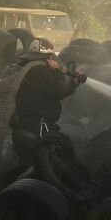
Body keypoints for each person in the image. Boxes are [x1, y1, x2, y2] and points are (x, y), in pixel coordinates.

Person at [10, 37, 87, 172]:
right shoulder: (41, 72)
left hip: (22, 124)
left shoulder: (25, 69)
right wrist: (60, 73)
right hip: (38, 127)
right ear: (49, 56)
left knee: (26, 163)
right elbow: (59, 91)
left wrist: (71, 80)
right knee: (39, 166)